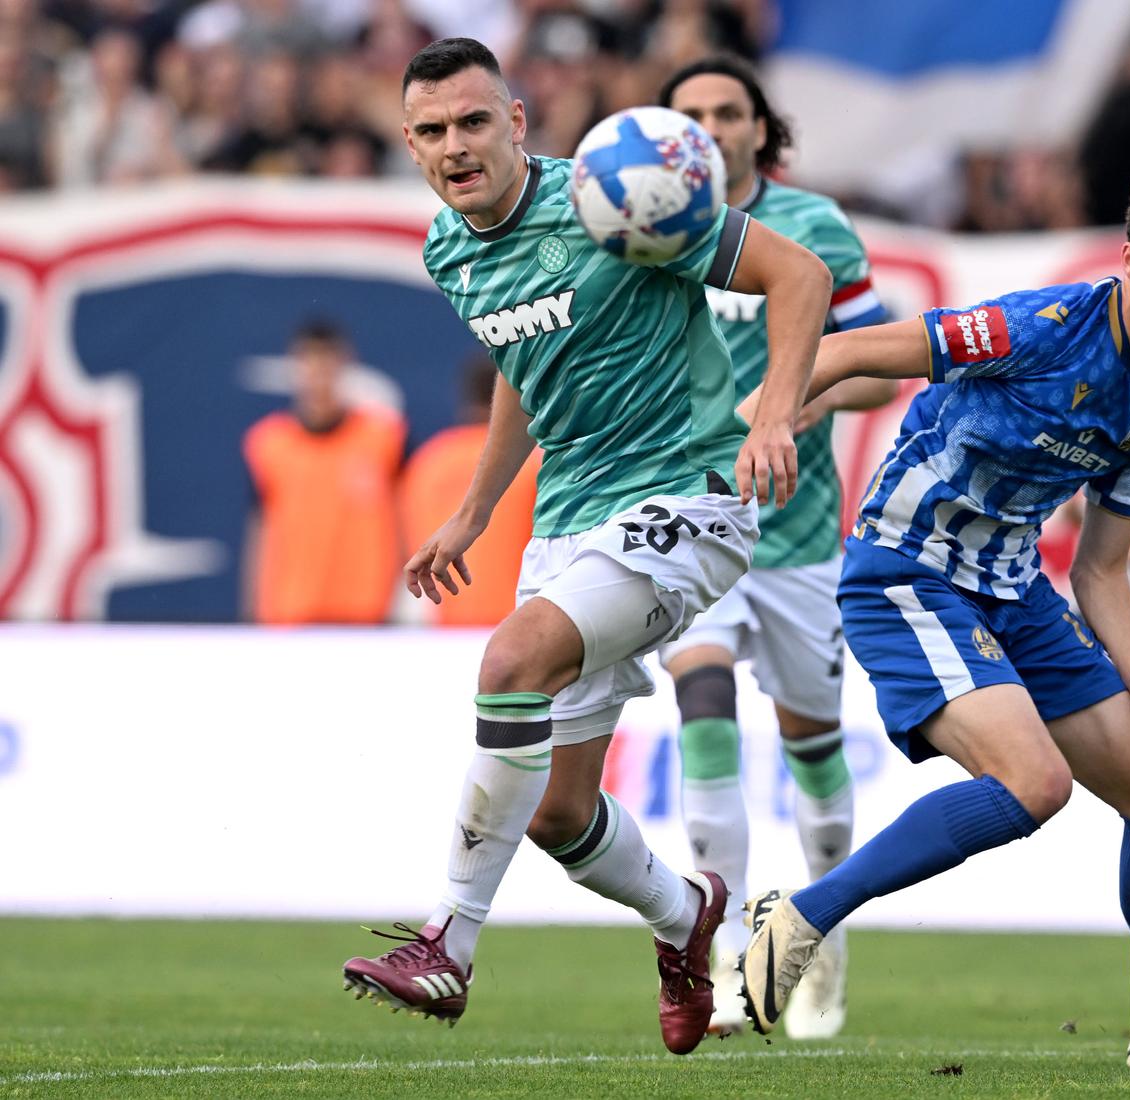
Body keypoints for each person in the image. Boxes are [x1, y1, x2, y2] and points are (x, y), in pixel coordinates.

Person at [339, 37, 833, 1058]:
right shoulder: (448, 249)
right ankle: (686, 914)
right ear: (410, 145)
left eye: (474, 121)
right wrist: (477, 510)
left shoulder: (622, 197)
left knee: (508, 659)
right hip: (568, 519)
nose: (454, 146)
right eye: (431, 131)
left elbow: (798, 273)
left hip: (687, 496)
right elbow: (529, 362)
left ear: (517, 121)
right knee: (561, 814)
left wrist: (776, 411)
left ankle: (449, 939)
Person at [738, 165, 1130, 1068]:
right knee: (1036, 786)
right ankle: (801, 916)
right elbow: (844, 351)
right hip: (905, 572)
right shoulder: (1036, 327)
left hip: (1015, 586)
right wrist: (765, 422)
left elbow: (1103, 568)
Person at [649, 55, 896, 1041]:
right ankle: (726, 939)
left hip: (796, 535)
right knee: (700, 701)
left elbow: (876, 370)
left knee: (815, 758)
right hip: (686, 526)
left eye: (726, 111)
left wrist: (788, 408)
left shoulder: (815, 228)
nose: (709, 128)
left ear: (760, 128)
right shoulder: (640, 227)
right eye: (690, 115)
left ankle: (820, 939)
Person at [242, 317, 404, 625]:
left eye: (326, 361)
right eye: (308, 361)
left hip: (366, 617)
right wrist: (253, 613)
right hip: (291, 616)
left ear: (345, 364)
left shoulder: (384, 437)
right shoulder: (268, 444)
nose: (317, 374)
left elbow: (405, 517)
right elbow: (260, 530)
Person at [400, 356, 540, 627]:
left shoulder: (429, 460)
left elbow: (407, 538)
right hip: (519, 622)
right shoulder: (532, 462)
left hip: (446, 623)